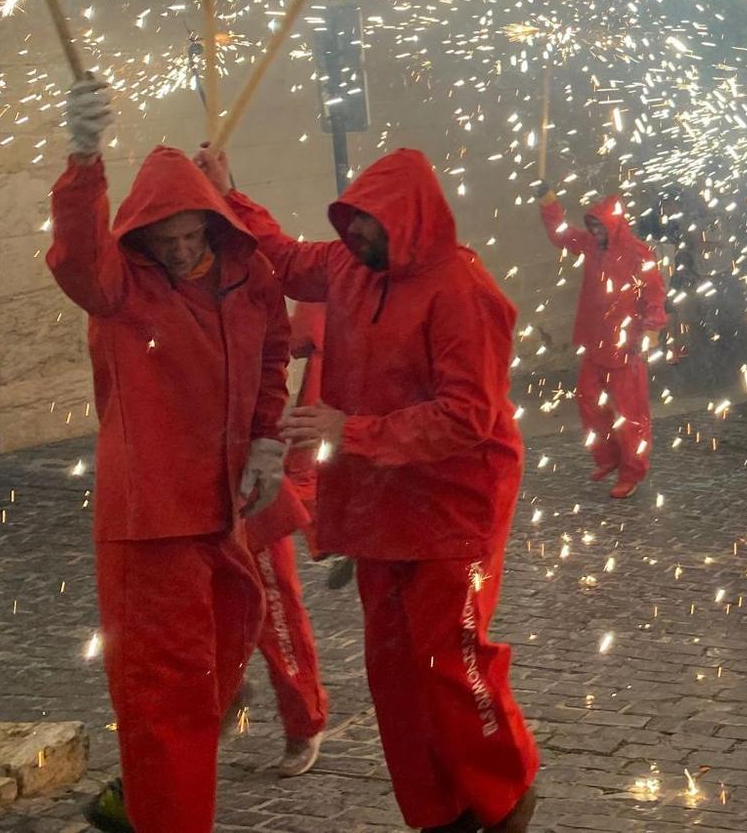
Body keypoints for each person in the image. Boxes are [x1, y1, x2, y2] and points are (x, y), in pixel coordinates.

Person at [207, 146, 540, 833]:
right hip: (381, 510)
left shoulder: (463, 292)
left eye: (368, 222)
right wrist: (227, 192)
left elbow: (467, 416)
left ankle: (505, 796)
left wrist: (349, 430)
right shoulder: (347, 267)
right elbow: (284, 254)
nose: (353, 235)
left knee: (449, 660)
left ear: (408, 220)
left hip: (456, 507)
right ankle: (437, 812)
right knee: (393, 671)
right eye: (349, 220)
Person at [46, 78, 291, 833]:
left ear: (214, 226)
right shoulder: (123, 290)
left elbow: (273, 357)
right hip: (149, 522)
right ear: (142, 238)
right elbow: (78, 255)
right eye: (168, 239)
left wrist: (266, 439)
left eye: (195, 235)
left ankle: (145, 800)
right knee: (163, 699)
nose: (183, 251)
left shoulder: (249, 280)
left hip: (221, 512)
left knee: (213, 668)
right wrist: (84, 158)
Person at [238, 300, 331, 778]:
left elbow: (283, 349)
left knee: (274, 606)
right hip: (191, 476)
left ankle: (304, 718)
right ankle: (225, 689)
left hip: (256, 473)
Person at [541, 192, 667, 499]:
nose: (595, 232)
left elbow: (654, 295)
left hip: (626, 349)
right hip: (596, 343)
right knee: (588, 402)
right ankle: (609, 458)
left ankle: (632, 471)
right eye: (592, 226)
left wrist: (650, 332)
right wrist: (548, 202)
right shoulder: (589, 245)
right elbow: (562, 235)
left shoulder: (639, 254)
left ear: (614, 226)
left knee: (630, 414)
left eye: (600, 227)